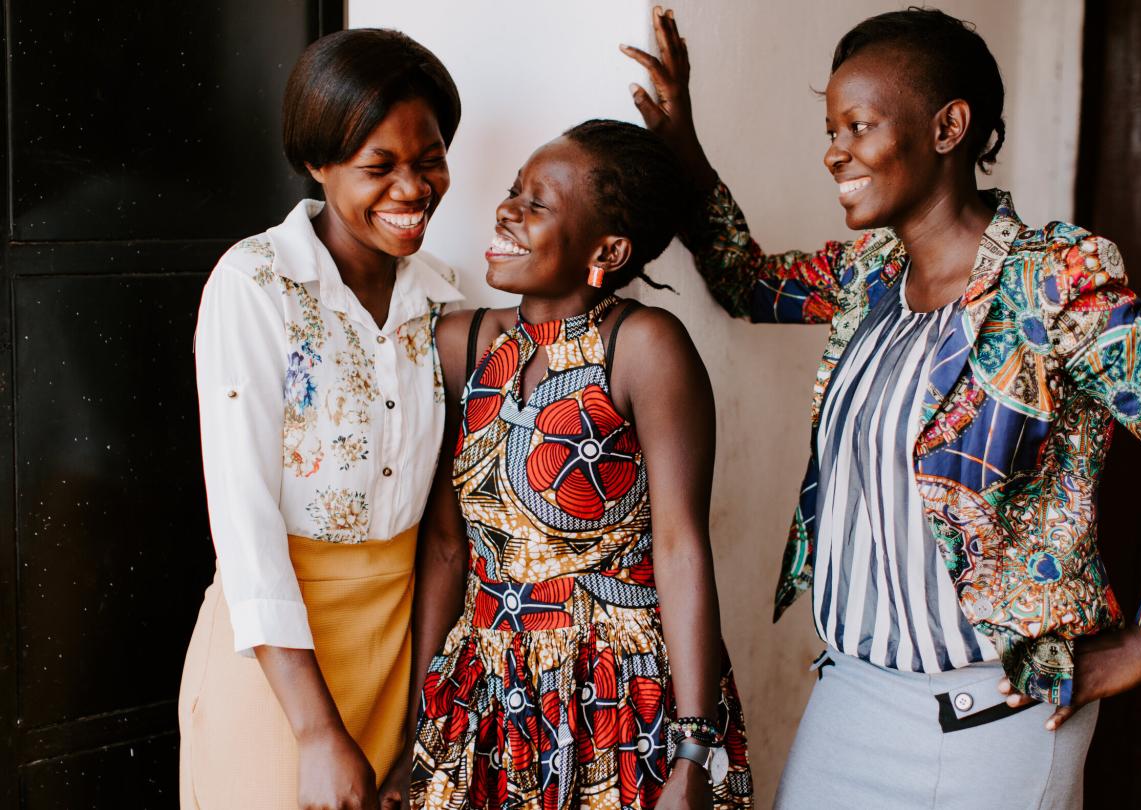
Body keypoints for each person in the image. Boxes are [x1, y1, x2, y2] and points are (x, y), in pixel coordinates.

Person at [623, 6, 1141, 808]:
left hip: (995, 724)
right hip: (851, 697)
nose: (835, 151)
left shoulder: (1049, 285)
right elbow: (747, 281)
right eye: (831, 128)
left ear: (948, 127)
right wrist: (685, 155)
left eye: (857, 126)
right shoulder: (870, 276)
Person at [400, 119, 753, 810]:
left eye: (537, 203)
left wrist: (691, 750)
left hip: (619, 696)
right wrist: (418, 720)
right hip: (486, 693)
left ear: (609, 247)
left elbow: (681, 549)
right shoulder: (459, 343)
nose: (507, 210)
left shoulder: (643, 346)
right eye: (512, 193)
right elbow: (446, 548)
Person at [177, 29, 465, 810]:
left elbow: (446, 528)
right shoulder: (255, 285)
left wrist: (423, 722)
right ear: (317, 162)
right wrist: (314, 733)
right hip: (276, 664)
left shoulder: (444, 297)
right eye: (379, 167)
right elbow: (244, 522)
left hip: (399, 653)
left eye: (429, 158)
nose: (412, 189)